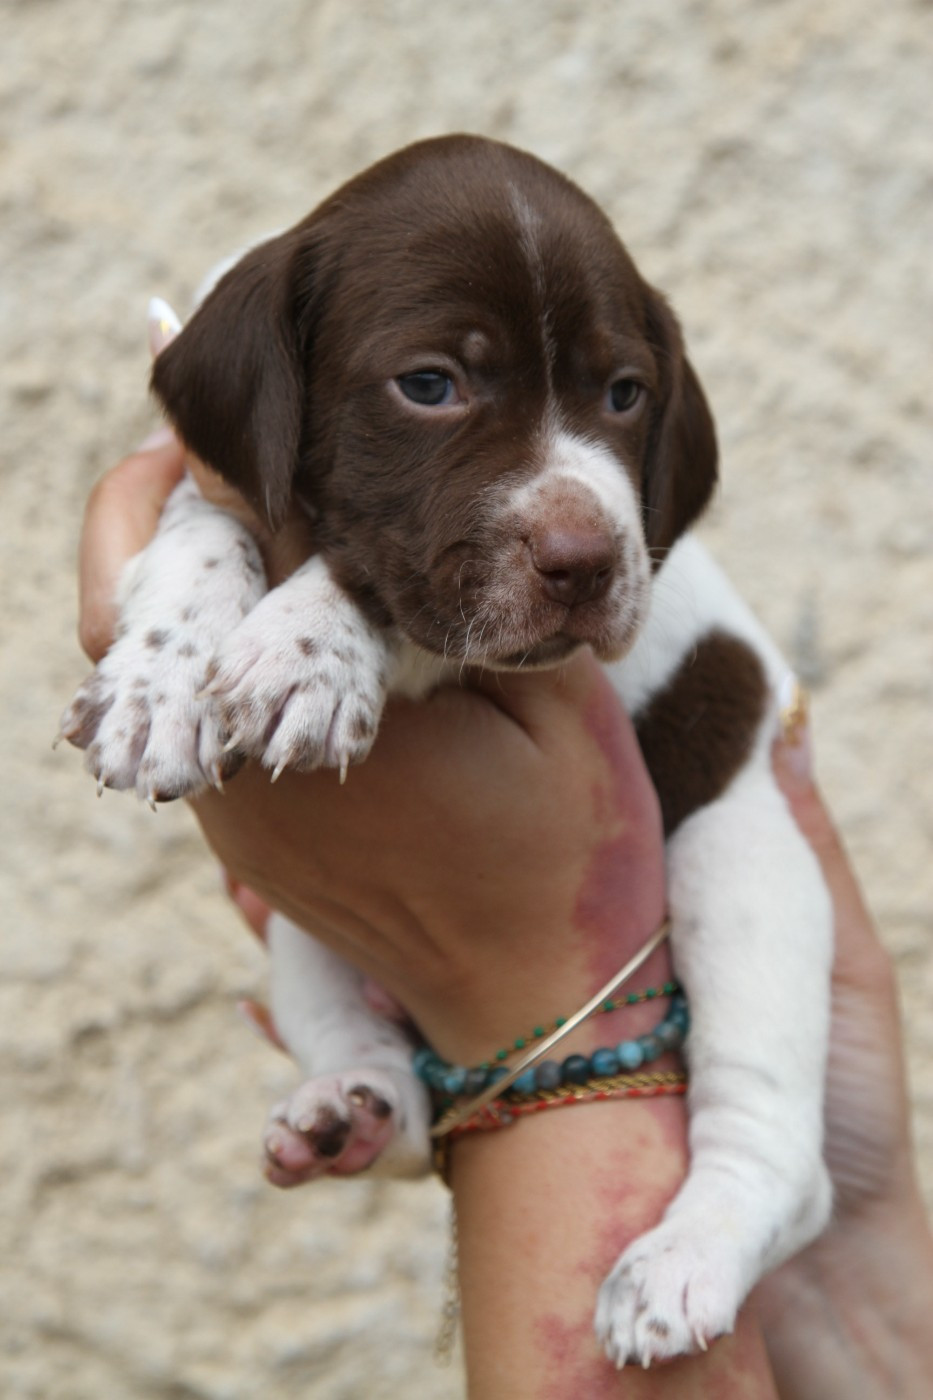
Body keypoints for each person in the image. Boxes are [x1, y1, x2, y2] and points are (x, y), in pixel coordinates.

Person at [75, 428, 933, 1397]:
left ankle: (757, 1169)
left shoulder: (531, 528)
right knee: (312, 904)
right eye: (430, 387)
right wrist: (178, 623)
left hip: (686, 823)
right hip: (471, 914)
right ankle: (372, 1078)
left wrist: (520, 1008)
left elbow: (452, 643)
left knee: (746, 849)